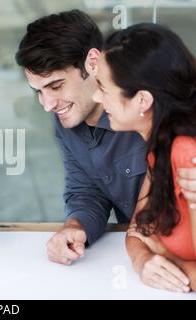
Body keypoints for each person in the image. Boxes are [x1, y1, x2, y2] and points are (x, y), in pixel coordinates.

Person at [15, 10, 196, 268]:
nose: (48, 105)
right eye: (38, 93)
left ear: (92, 62)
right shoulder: (68, 119)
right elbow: (90, 193)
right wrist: (76, 227)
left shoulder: (167, 133)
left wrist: (172, 263)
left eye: (56, 86)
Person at [94, 23, 196, 292]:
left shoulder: (187, 154)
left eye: (103, 88)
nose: (96, 97)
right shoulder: (160, 147)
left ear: (142, 101)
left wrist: (167, 256)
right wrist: (144, 260)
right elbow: (137, 232)